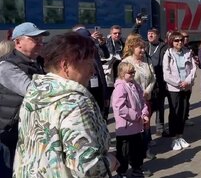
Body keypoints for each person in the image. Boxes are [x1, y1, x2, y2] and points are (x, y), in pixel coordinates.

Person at [13, 32, 118, 177]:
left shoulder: (34, 93)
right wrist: (110, 161)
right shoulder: (75, 103)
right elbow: (87, 168)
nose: (92, 71)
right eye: (88, 63)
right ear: (66, 65)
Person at [0, 22, 48, 176]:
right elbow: (32, 91)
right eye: (35, 40)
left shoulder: (38, 62)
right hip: (9, 132)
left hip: (27, 132)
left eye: (41, 40)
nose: (40, 44)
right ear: (18, 42)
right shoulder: (7, 66)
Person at [112, 62, 150, 178]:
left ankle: (136, 169)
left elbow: (142, 101)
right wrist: (137, 116)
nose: (133, 74)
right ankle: (121, 172)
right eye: (130, 73)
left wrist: (144, 113)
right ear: (122, 74)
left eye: (133, 72)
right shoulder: (120, 87)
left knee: (137, 150)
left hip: (136, 127)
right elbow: (120, 108)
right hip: (126, 127)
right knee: (124, 152)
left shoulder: (135, 85)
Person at [122, 37, 156, 161]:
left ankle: (146, 149)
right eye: (140, 48)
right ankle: (135, 152)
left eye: (144, 47)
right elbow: (123, 83)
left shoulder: (147, 61)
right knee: (136, 127)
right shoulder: (126, 62)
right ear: (132, 48)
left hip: (145, 99)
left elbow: (153, 78)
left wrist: (148, 90)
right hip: (132, 102)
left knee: (146, 126)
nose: (143, 50)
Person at [163, 31, 196, 151]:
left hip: (186, 86)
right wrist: (178, 83)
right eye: (176, 40)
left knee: (183, 112)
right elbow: (166, 73)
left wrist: (187, 81)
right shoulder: (168, 54)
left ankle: (180, 136)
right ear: (172, 41)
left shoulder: (188, 52)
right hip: (174, 88)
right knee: (174, 112)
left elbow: (193, 69)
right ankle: (173, 138)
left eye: (181, 40)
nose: (179, 42)